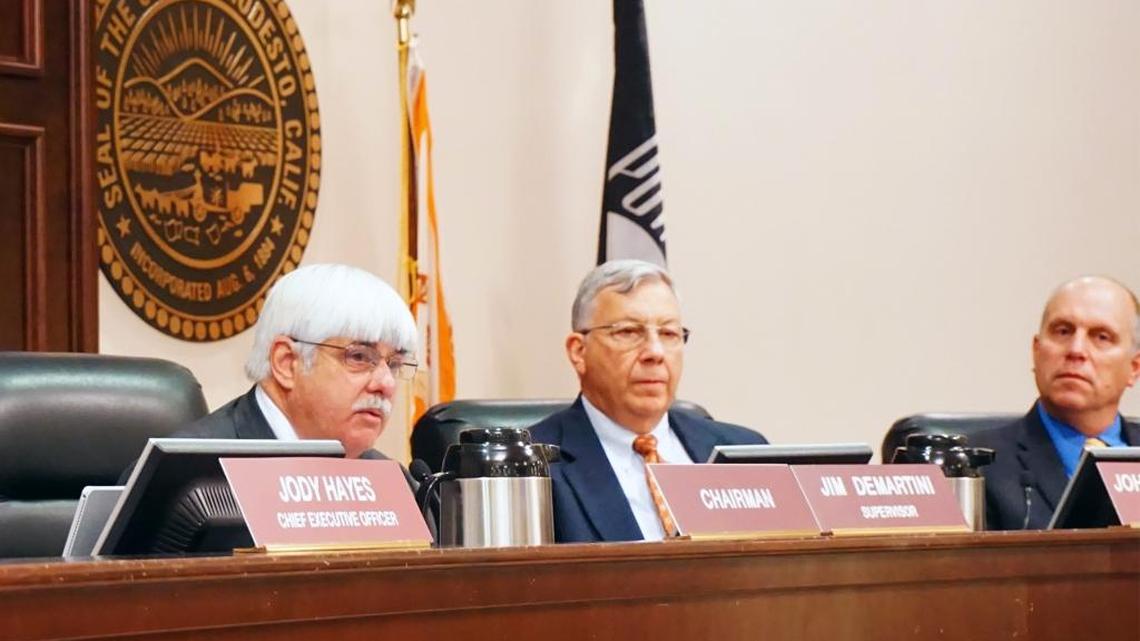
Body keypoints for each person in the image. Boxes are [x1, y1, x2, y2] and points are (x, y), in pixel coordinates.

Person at [529, 259, 767, 543]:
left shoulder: (744, 451)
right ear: (579, 351)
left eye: (668, 333)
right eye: (629, 332)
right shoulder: (532, 464)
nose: (655, 352)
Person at [175, 263, 418, 461]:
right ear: (287, 362)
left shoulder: (391, 481)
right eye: (359, 357)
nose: (387, 384)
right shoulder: (188, 472)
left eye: (394, 364)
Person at [972, 276, 1140, 530]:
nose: (1076, 350)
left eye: (1101, 337)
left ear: (1134, 368)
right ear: (1036, 351)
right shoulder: (977, 467)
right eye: (1063, 331)